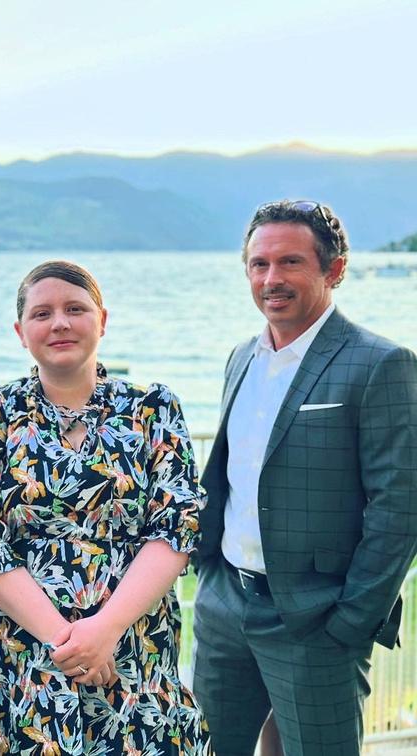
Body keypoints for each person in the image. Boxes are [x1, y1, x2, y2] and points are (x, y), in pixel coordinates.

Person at [0, 260, 211, 754]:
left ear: (102, 320)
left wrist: (106, 631)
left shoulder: (153, 409)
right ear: (21, 332)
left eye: (75, 309)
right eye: (42, 314)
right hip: (16, 666)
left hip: (131, 660)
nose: (59, 323)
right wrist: (70, 643)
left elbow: (177, 526)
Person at [192, 199, 417, 756]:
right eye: (259, 264)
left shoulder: (381, 363)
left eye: (290, 262)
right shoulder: (240, 357)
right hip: (224, 607)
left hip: (316, 621)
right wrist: (209, 575)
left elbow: (400, 504)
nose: (272, 278)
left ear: (333, 269)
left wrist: (350, 621)